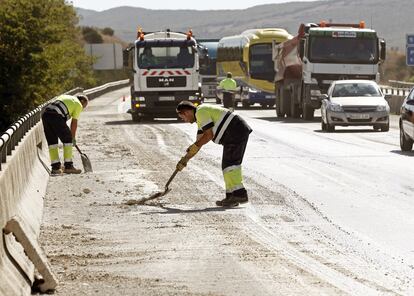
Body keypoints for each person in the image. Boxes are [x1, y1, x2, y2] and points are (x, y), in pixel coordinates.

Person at [176, 101, 252, 207]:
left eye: (182, 117)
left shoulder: (200, 112)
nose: (184, 120)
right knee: (227, 166)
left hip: (235, 131)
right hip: (233, 133)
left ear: (187, 112)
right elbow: (198, 143)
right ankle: (231, 196)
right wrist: (185, 159)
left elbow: (208, 135)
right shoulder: (200, 119)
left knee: (231, 165)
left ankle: (240, 194)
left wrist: (193, 148)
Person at [41, 94, 88, 175]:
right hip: (56, 116)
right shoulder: (78, 104)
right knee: (68, 139)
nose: (83, 108)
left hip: (46, 115)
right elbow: (74, 123)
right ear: (82, 101)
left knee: (52, 142)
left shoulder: (66, 97)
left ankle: (56, 168)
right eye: (84, 106)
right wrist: (72, 137)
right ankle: (68, 166)